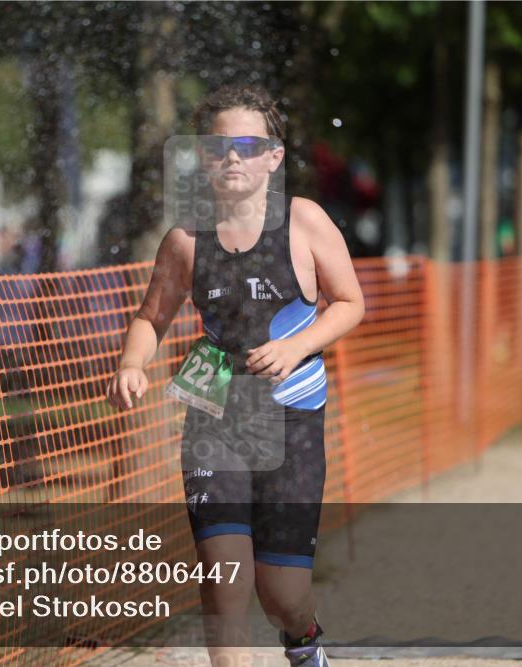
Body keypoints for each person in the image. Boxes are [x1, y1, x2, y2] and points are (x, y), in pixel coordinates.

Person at [105, 84, 365, 667]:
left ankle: (305, 644)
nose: (231, 157)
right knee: (224, 580)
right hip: (213, 406)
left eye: (247, 145)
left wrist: (296, 346)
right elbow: (152, 316)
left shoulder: (304, 221)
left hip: (291, 414)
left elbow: (350, 302)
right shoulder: (185, 240)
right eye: (218, 146)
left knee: (283, 595)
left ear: (273, 155)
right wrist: (131, 363)